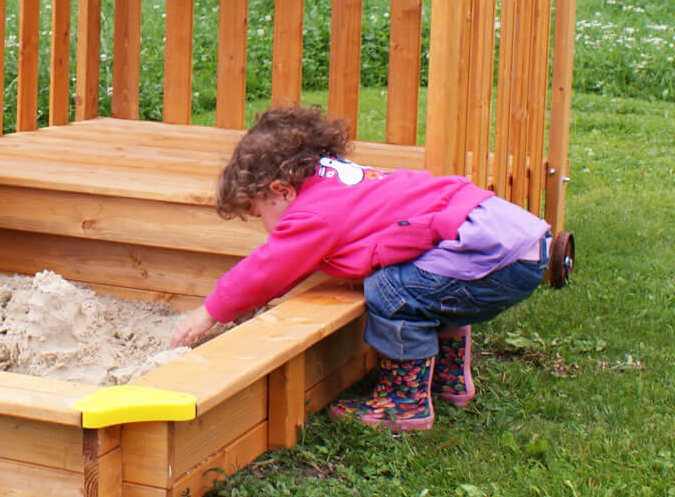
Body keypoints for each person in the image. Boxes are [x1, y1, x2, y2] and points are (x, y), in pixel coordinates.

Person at [168, 106, 550, 433]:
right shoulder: (334, 181)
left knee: (389, 289)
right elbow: (296, 261)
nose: (265, 226)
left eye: (257, 212)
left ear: (282, 190)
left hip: (488, 252)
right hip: (511, 241)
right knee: (426, 288)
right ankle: (448, 381)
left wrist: (211, 310)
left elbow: (271, 265)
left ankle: (404, 403)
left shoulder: (313, 213)